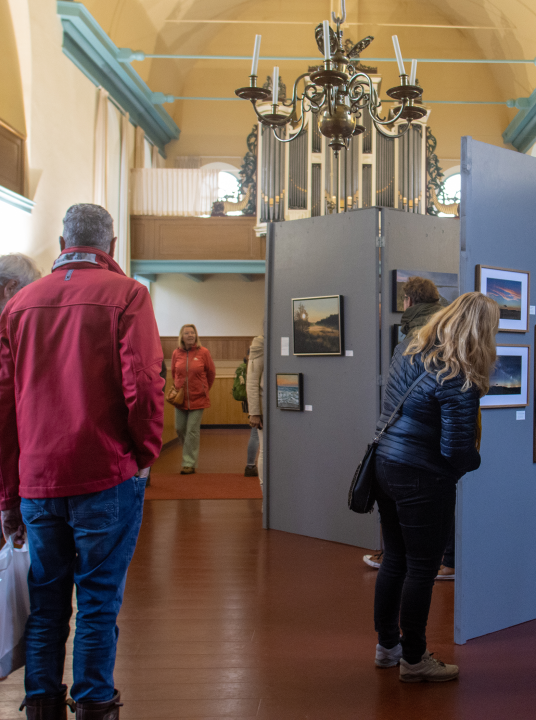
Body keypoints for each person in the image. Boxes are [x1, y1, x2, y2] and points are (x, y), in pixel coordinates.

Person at [0, 203, 165, 719]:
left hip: (38, 481)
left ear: (61, 240)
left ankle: (41, 705)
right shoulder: (127, 295)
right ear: (111, 245)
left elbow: (5, 409)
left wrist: (7, 494)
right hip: (105, 474)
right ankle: (94, 704)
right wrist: (144, 454)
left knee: (46, 603)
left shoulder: (20, 304)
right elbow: (143, 384)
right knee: (98, 600)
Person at [372, 292, 498, 682]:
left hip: (384, 464)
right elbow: (456, 450)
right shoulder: (459, 374)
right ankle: (414, 660)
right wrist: (477, 462)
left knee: (394, 560)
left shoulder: (407, 350)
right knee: (423, 570)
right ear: (482, 331)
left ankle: (388, 648)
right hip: (423, 478)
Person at [364, 276, 450, 573]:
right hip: (428, 443)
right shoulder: (449, 326)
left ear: (408, 301)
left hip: (404, 448)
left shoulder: (410, 340)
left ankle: (403, 558)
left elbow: (400, 394)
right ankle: (445, 561)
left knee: (413, 562)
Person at [171, 324, 215, 474]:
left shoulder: (204, 353)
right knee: (180, 428)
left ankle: (189, 462)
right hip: (180, 399)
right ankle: (188, 451)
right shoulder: (176, 353)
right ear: (181, 336)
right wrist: (178, 389)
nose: (190, 335)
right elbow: (174, 374)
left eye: (192, 333)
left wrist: (204, 389)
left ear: (196, 336)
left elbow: (211, 374)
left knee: (192, 431)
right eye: (187, 333)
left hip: (199, 398)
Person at [246, 335, 264, 490]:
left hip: (288, 405)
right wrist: (254, 412)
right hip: (265, 409)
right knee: (265, 451)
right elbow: (252, 381)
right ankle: (266, 497)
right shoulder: (260, 342)